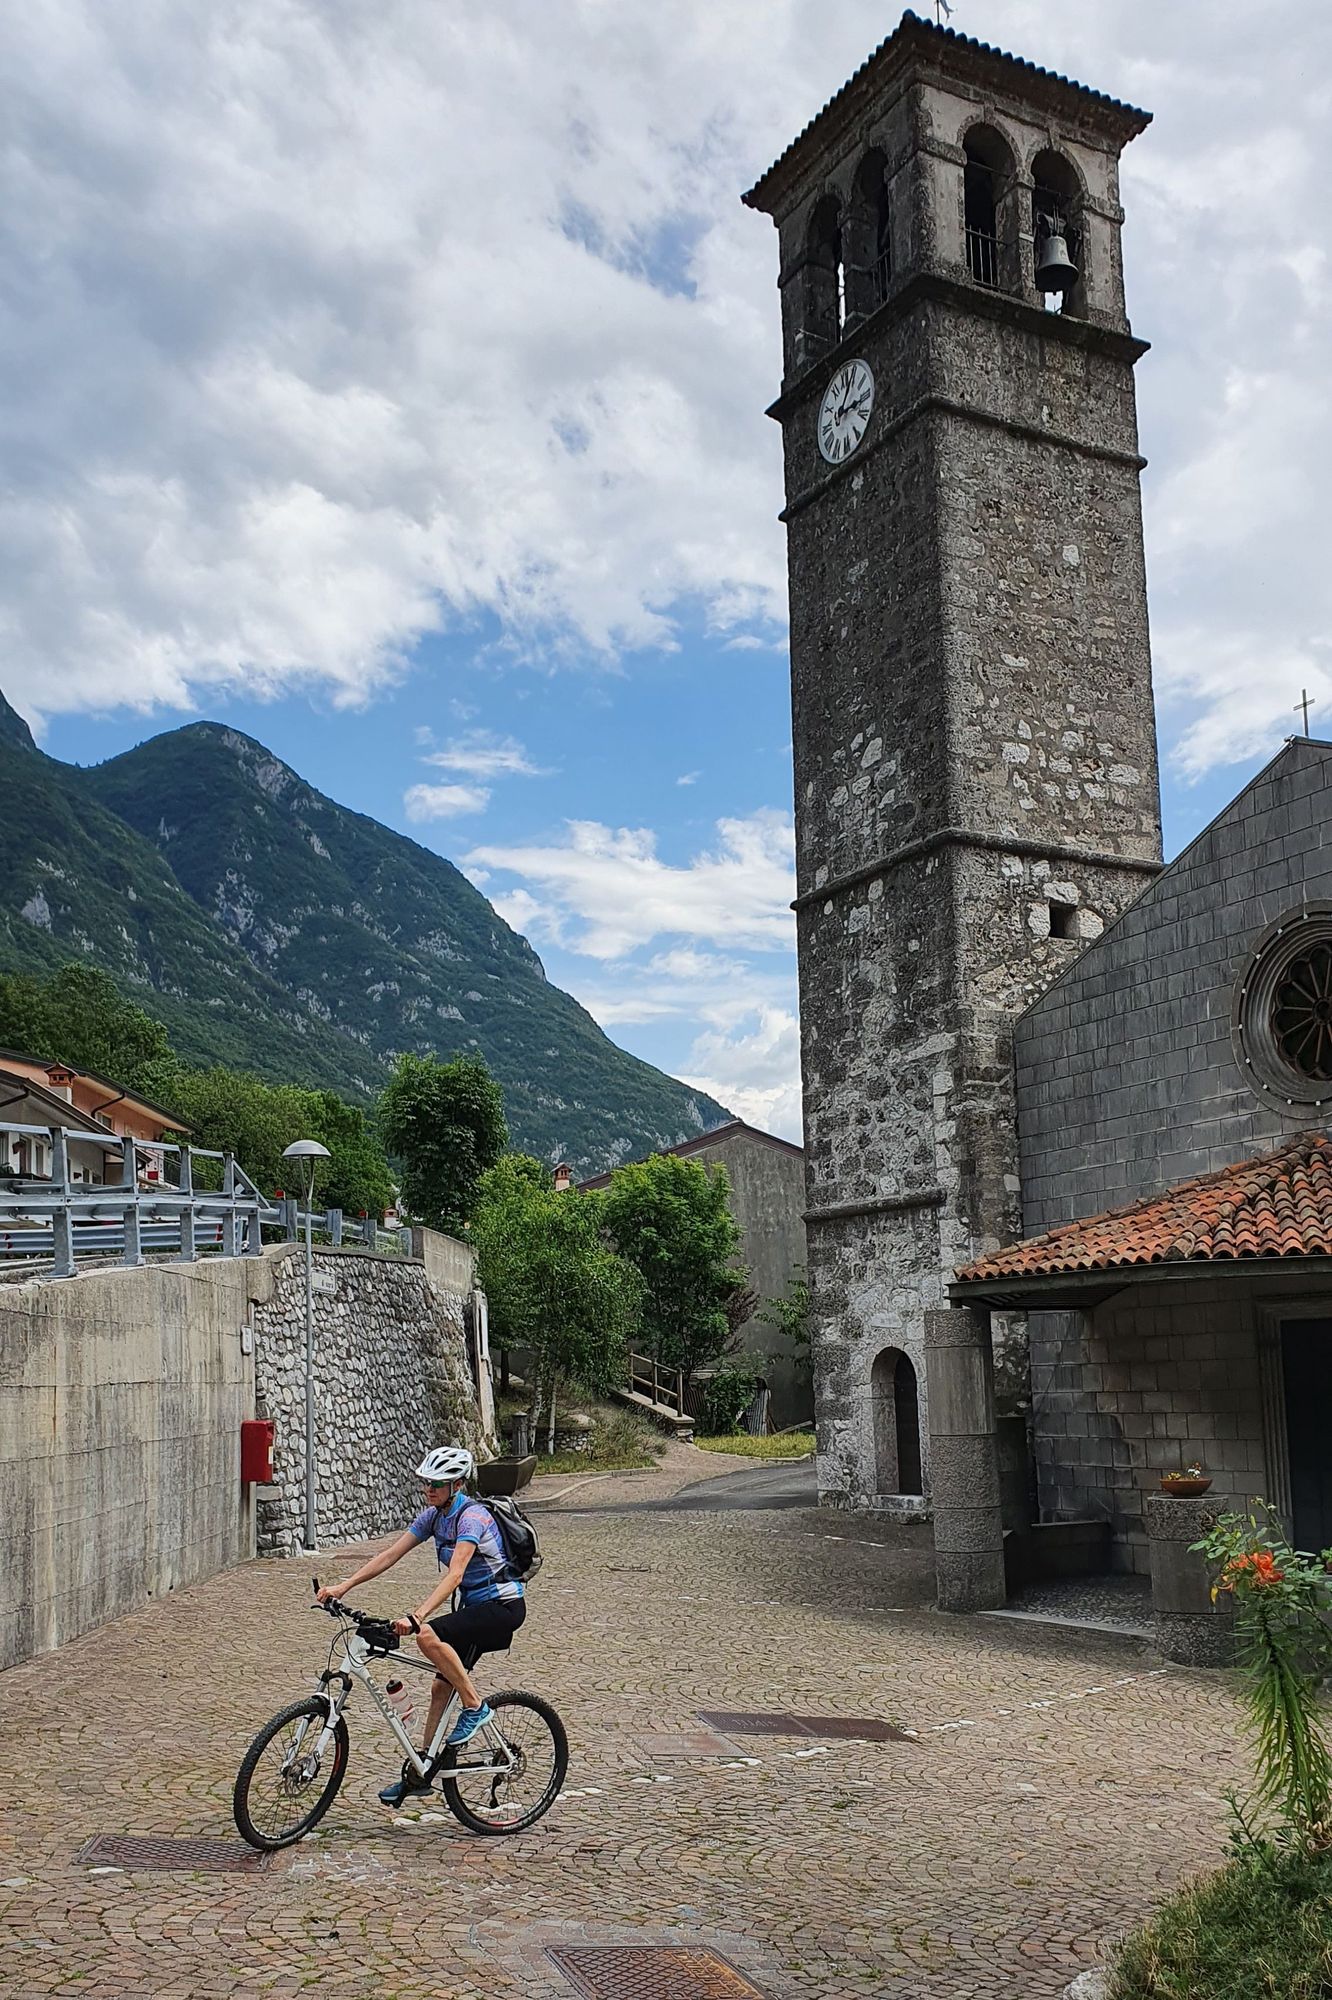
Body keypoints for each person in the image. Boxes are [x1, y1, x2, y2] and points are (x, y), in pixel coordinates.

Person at [315, 1443, 526, 1808]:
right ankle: (421, 1771)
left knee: (428, 1636)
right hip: (475, 1609)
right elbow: (389, 1555)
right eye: (426, 1481)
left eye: (437, 1483)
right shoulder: (434, 1516)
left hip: (502, 1607)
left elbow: (456, 1574)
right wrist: (343, 1585)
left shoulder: (471, 1517)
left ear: (457, 1485)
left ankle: (475, 1707)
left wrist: (417, 1617)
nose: (429, 1488)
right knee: (439, 1688)